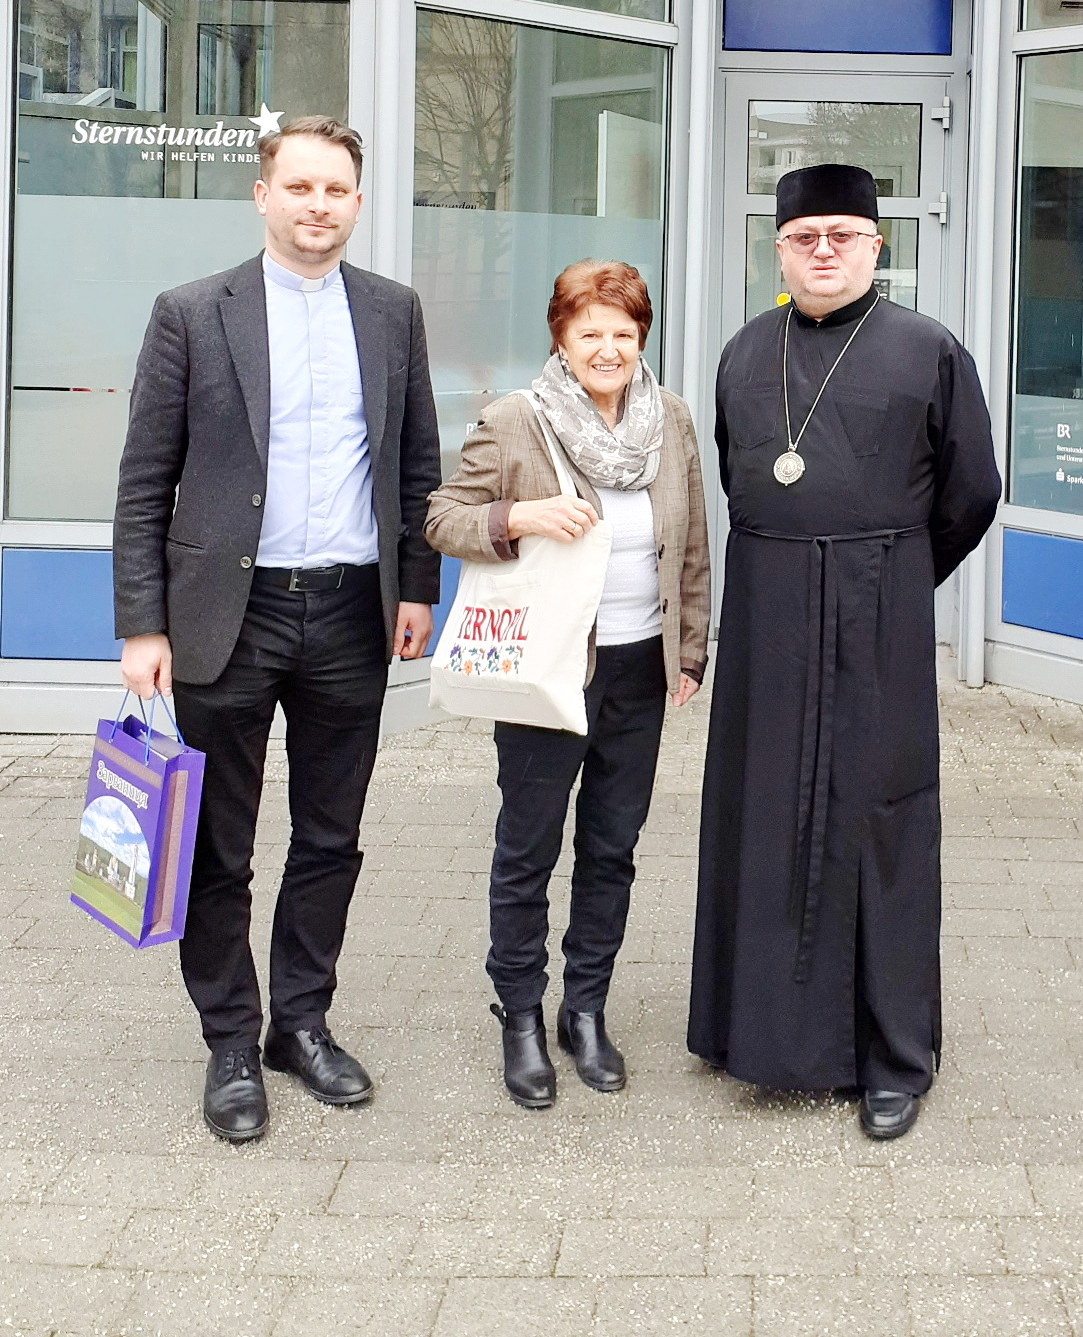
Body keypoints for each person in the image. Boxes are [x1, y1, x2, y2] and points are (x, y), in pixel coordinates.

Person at [113, 116, 442, 1144]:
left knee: (331, 837)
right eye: (299, 187)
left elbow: (417, 462)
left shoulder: (392, 312)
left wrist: (418, 587)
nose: (317, 206)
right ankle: (229, 1039)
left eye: (336, 190)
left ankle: (300, 1023)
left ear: (358, 202)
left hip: (351, 609)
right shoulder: (191, 313)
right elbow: (144, 480)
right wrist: (141, 623)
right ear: (263, 195)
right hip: (227, 616)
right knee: (219, 844)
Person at [689, 163, 1001, 1142]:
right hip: (768, 607)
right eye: (804, 237)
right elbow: (740, 474)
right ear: (778, 249)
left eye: (842, 235)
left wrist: (896, 575)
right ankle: (756, 1035)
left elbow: (973, 490)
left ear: (876, 245)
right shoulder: (746, 350)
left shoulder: (929, 349)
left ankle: (890, 1058)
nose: (822, 251)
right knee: (763, 807)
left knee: (880, 818)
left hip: (879, 606)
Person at [425, 259, 709, 1108]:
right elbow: (441, 516)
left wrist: (690, 651)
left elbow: (693, 544)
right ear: (561, 337)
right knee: (529, 849)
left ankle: (585, 1008)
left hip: (639, 669)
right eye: (591, 332)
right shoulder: (516, 420)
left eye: (623, 332)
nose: (608, 348)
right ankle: (519, 1013)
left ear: (641, 338)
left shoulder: (672, 421)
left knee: (612, 848)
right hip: (548, 672)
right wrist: (518, 516)